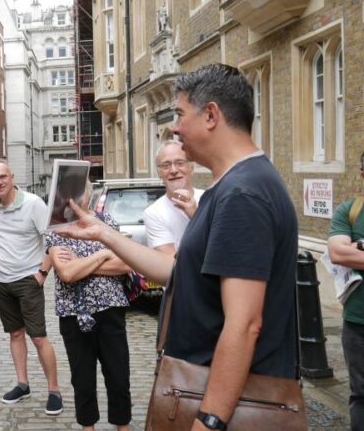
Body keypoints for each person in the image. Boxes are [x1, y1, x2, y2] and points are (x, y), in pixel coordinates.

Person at [57, 64, 299, 430]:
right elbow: (177, 272)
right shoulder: (232, 186)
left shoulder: (242, 194)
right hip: (195, 385)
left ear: (212, 115)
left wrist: (210, 419)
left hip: (227, 404)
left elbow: (245, 322)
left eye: (181, 114)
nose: (174, 127)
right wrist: (103, 234)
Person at [0, 160, 63, 415]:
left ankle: (54, 390)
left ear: (12, 177)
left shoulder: (33, 204)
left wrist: (43, 272)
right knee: (15, 334)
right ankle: (22, 384)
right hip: (1, 280)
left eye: (3, 177)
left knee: (38, 336)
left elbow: (53, 237)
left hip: (28, 279)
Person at [46, 183, 132, 431]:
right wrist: (102, 256)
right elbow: (67, 273)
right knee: (82, 379)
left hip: (111, 309)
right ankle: (88, 427)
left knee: (118, 377)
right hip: (74, 313)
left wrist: (82, 262)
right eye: (69, 191)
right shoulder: (57, 229)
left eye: (80, 189)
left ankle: (122, 427)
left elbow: (126, 264)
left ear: (90, 191)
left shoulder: (106, 223)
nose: (75, 196)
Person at [328, 150, 364, 430]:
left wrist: (359, 246)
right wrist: (350, 248)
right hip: (357, 321)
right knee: (360, 395)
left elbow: (347, 250)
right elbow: (337, 253)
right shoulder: (349, 211)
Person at [143, 140, 204, 255]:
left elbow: (224, 245)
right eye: (166, 165)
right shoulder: (153, 213)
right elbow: (171, 262)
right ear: (159, 173)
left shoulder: (210, 198)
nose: (174, 170)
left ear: (191, 168)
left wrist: (195, 215)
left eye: (180, 163)